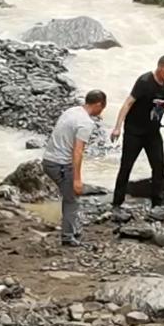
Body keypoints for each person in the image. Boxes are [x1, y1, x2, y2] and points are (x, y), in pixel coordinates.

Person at [110, 55, 164, 208]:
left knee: (159, 166)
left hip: (153, 133)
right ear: (160, 67)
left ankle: (157, 202)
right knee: (126, 166)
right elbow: (128, 103)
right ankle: (117, 202)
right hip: (134, 132)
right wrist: (117, 127)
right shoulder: (144, 81)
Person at [43, 90, 108, 246]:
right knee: (72, 199)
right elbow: (78, 151)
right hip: (61, 165)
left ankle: (72, 228)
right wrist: (77, 179)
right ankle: (68, 237)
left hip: (48, 160)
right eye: (103, 107)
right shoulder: (86, 123)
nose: (102, 111)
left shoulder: (71, 111)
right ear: (99, 104)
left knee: (69, 196)